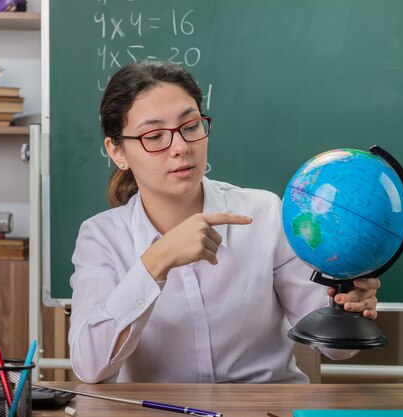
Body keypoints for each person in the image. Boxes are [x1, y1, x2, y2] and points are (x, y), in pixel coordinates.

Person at [68, 60, 380, 384]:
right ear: (117, 151)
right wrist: (156, 262)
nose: (181, 147)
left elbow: (336, 349)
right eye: (155, 135)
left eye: (190, 126)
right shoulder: (100, 237)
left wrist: (347, 308)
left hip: (264, 408)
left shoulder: (264, 213)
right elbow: (90, 368)